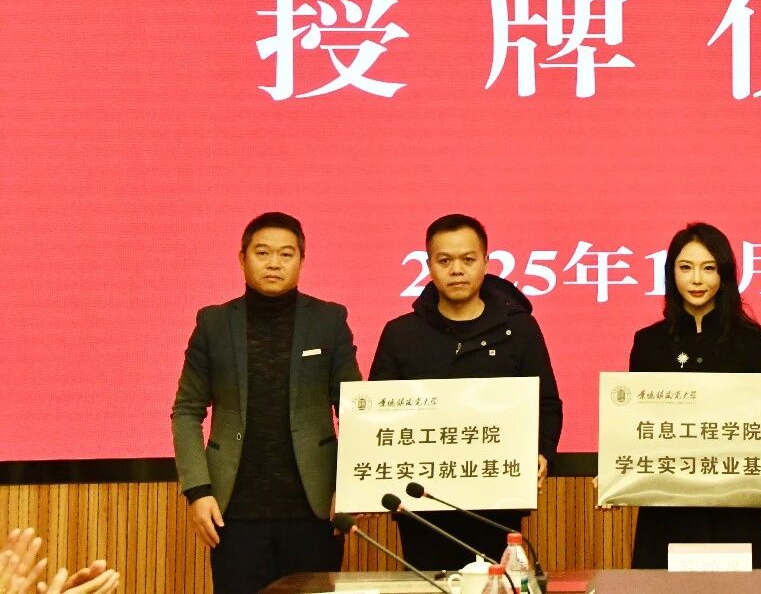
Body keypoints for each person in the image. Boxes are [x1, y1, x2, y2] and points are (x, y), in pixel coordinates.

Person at [171, 212, 361, 593]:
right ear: (242, 258)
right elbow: (187, 411)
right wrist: (198, 490)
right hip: (233, 512)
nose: (274, 263)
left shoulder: (328, 320)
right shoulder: (213, 324)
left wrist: (350, 487)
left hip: (315, 510)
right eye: (263, 253)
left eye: (286, 254)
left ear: (301, 261)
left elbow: (354, 410)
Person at [369, 214, 563, 570]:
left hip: (497, 500)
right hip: (422, 504)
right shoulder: (400, 334)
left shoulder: (519, 329)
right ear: (429, 264)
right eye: (444, 260)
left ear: (486, 262)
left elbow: (547, 404)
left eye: (468, 259)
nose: (456, 270)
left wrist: (542, 453)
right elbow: (378, 416)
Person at [627, 222, 761, 569]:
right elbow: (635, 423)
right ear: (671, 273)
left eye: (708, 268)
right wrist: (617, 474)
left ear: (724, 275)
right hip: (666, 502)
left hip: (734, 502)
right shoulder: (649, 342)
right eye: (686, 267)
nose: (697, 279)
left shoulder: (749, 341)